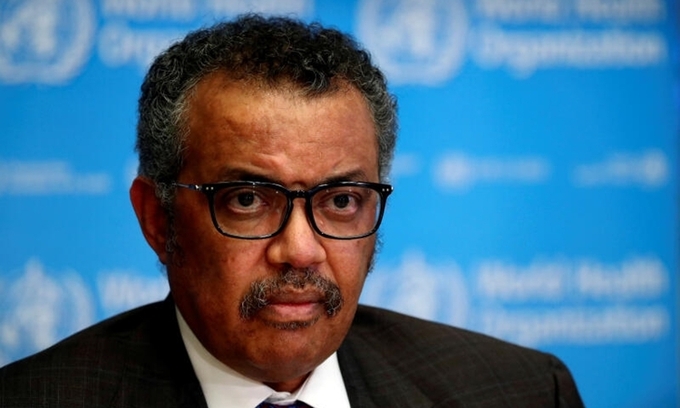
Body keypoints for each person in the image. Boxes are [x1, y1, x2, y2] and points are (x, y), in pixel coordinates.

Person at [0, 14, 584, 408]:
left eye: (341, 201)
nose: (301, 251)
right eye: (247, 200)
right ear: (158, 219)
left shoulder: (521, 392)